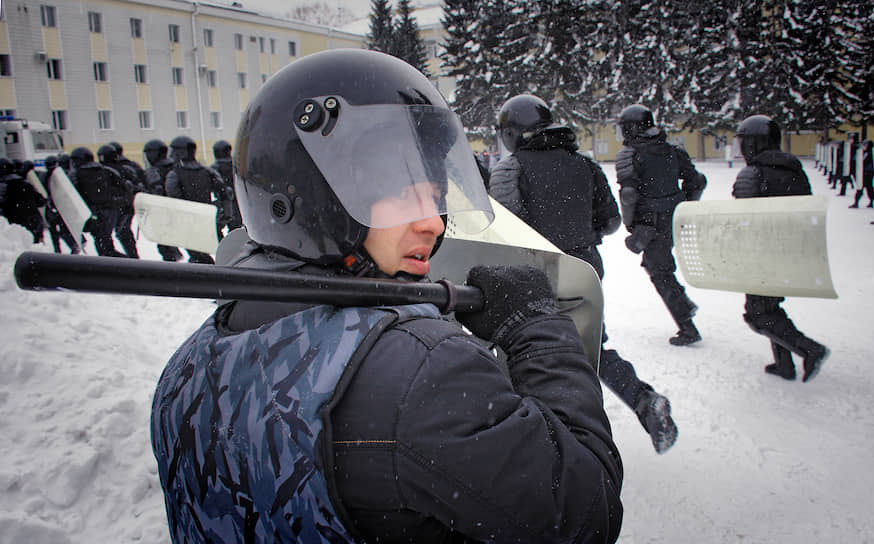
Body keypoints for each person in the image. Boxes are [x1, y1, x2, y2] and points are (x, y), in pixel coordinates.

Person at [150, 49, 623, 543]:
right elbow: (587, 512)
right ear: (317, 201)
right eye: (401, 191)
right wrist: (536, 329)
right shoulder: (425, 372)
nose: (433, 221)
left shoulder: (187, 365)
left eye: (435, 194)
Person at [489, 93, 677, 453]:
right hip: (586, 272)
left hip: (536, 278)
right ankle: (643, 400)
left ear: (513, 133)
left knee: (528, 358)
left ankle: (544, 443)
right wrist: (576, 233)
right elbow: (610, 222)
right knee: (592, 349)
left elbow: (505, 233)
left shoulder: (510, 170)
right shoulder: (584, 164)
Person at [732, 114, 829, 382]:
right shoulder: (795, 170)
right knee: (770, 310)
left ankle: (809, 349)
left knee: (758, 315)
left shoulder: (753, 174)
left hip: (762, 257)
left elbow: (742, 220)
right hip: (790, 255)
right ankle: (783, 365)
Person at [615, 104, 707, 345]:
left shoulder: (630, 155)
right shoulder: (671, 150)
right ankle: (684, 308)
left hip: (650, 224)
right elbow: (696, 182)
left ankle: (687, 326)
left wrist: (631, 224)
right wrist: (681, 207)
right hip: (672, 222)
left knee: (660, 273)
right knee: (661, 269)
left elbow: (629, 196)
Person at [164, 135, 227, 263]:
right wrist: (224, 214)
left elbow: (175, 201)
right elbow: (225, 193)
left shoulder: (175, 175)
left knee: (200, 258)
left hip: (190, 223)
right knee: (223, 254)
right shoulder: (207, 171)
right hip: (208, 220)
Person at [69, 147, 131, 258]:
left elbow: (73, 195)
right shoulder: (105, 170)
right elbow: (122, 188)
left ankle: (129, 266)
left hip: (95, 213)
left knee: (104, 247)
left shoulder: (77, 174)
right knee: (105, 243)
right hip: (111, 211)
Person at [143, 139, 184, 261]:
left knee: (164, 245)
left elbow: (155, 191)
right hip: (177, 208)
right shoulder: (176, 166)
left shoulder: (153, 171)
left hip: (161, 210)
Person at [98, 144, 140, 258]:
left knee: (107, 236)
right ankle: (133, 256)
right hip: (127, 204)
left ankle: (127, 259)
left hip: (114, 206)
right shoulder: (127, 167)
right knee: (123, 232)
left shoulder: (103, 171)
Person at [39, 155, 80, 254]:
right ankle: (73, 246)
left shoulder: (44, 176)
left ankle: (58, 249)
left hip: (51, 206)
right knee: (64, 229)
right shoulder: (61, 174)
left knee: (54, 231)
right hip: (61, 205)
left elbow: (43, 190)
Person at [0, 157, 46, 242]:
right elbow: (41, 201)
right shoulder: (25, 183)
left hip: (16, 228)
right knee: (39, 251)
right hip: (35, 224)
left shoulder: (3, 186)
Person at [208, 139, 242, 240]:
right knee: (236, 228)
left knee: (218, 228)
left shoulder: (214, 167)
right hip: (237, 200)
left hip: (222, 202)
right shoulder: (237, 164)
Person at [850, 139, 874, 209]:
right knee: (866, 187)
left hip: (868, 172)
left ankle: (859, 202)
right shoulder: (865, 152)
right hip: (865, 172)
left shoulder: (871, 153)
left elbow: (865, 162)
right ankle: (868, 201)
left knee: (865, 187)